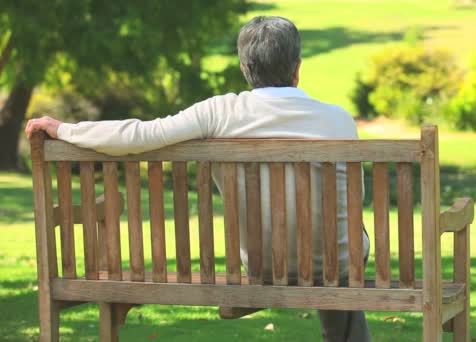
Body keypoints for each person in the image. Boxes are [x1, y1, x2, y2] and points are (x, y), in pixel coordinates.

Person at [25, 16, 371, 342]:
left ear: (244, 69)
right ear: (297, 69)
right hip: (335, 265)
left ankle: (260, 294)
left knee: (313, 250)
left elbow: (141, 135)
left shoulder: (219, 112)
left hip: (263, 265)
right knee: (345, 246)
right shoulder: (338, 120)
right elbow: (354, 199)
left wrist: (65, 129)